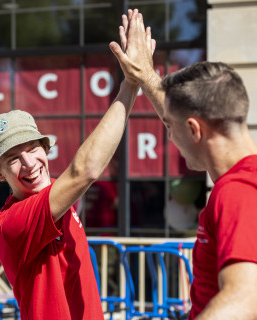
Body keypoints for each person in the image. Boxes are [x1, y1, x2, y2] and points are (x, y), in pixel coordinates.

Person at [109, 8, 257, 320]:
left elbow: (245, 298)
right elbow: (185, 112)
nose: (170, 140)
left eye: (170, 128)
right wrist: (146, 76)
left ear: (193, 130)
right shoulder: (245, 180)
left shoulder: (238, 192)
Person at [0, 75, 140, 318]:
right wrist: (130, 85)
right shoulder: (12, 222)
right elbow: (85, 170)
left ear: (45, 149)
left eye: (33, 148)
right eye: (13, 158)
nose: (29, 163)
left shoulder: (54, 191)